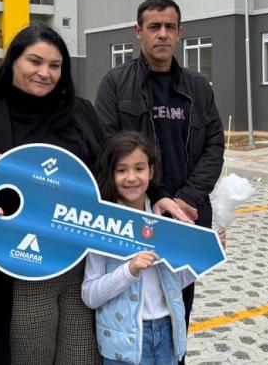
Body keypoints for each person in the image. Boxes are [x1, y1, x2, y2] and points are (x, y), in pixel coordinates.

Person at [0, 23, 104, 365]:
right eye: (34, 61)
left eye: (55, 65)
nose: (44, 73)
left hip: (79, 267)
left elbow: (109, 175)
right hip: (13, 273)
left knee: (81, 357)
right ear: (13, 63)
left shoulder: (82, 113)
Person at [94, 0, 225, 333]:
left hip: (186, 218)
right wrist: (159, 195)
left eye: (169, 27)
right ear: (138, 31)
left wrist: (186, 198)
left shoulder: (198, 88)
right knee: (129, 314)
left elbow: (214, 144)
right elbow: (107, 147)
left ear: (180, 32)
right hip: (133, 217)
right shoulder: (115, 83)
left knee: (177, 313)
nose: (162, 34)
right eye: (154, 27)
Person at [82, 131, 196, 365]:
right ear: (111, 174)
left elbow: (178, 281)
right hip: (123, 343)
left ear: (151, 172)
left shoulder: (165, 220)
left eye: (139, 168)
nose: (131, 177)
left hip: (168, 333)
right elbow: (90, 296)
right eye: (121, 170)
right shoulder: (102, 225)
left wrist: (204, 255)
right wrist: (130, 270)